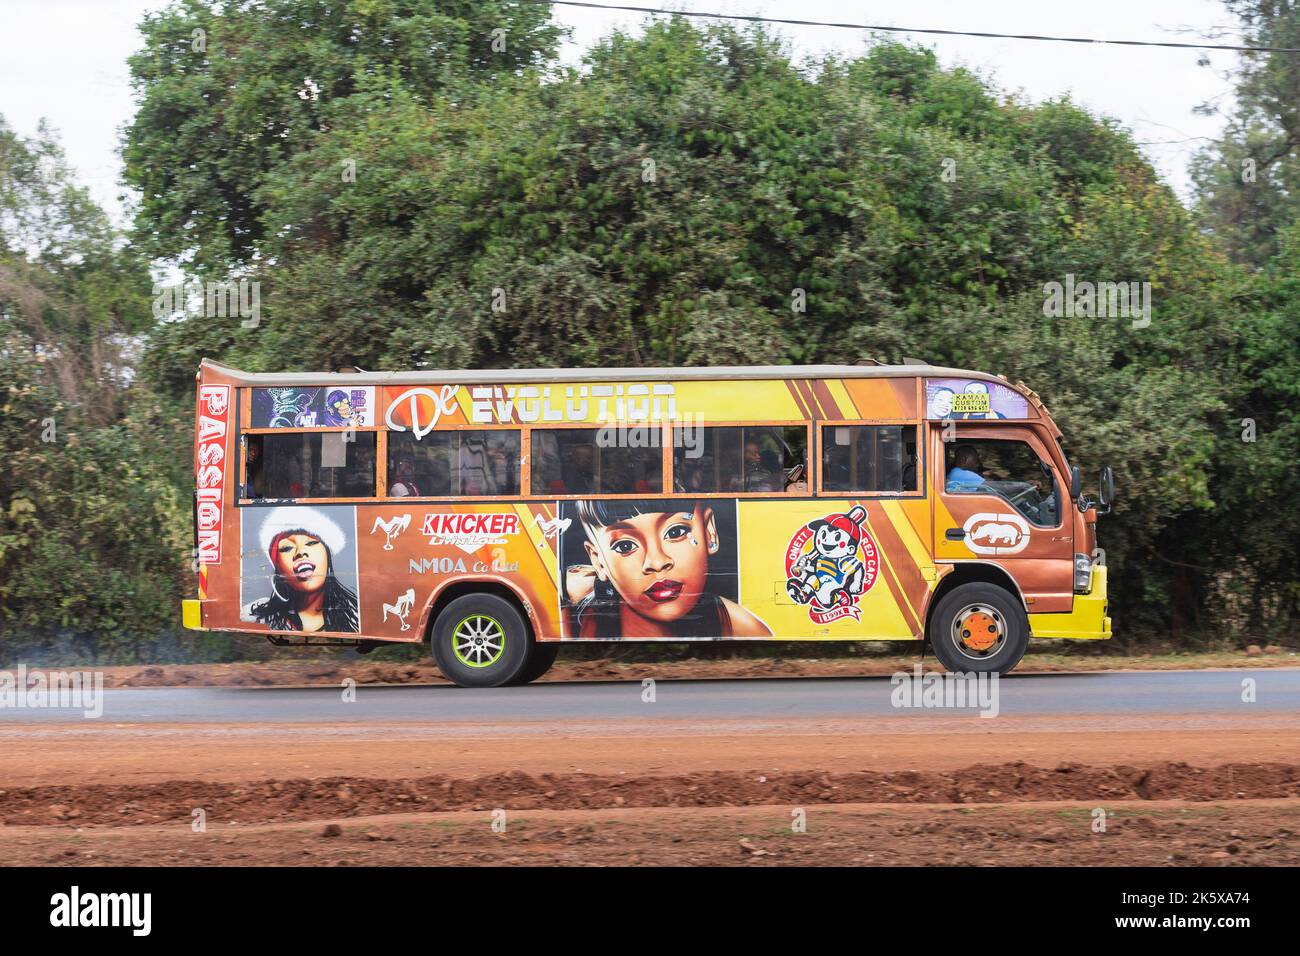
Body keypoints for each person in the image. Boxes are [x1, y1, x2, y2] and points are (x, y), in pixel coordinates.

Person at [563, 499, 772, 639]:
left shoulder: (738, 623)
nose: (657, 562)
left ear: (709, 532)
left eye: (676, 532)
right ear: (599, 561)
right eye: (625, 546)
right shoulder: (575, 618)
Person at [246, 507, 360, 632]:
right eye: (287, 548)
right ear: (277, 566)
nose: (300, 552)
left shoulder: (356, 617)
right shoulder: (254, 616)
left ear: (327, 555)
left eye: (311, 543)